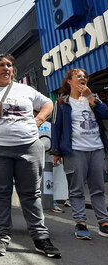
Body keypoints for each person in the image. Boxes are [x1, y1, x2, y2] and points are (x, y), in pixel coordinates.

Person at [0, 54, 60, 258]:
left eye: (9, 65)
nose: (6, 68)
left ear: (13, 70)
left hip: (29, 147)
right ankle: (1, 238)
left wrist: (38, 119)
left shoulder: (26, 90)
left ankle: (40, 238)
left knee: (31, 194)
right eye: (1, 65)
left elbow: (48, 103)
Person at [50, 68, 108, 239]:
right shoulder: (61, 102)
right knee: (76, 190)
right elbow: (56, 127)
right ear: (69, 81)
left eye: (84, 76)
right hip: (74, 151)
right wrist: (56, 151)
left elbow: (105, 114)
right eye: (78, 76)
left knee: (98, 188)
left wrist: (91, 97)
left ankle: (104, 222)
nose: (83, 78)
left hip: (96, 148)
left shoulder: (94, 98)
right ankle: (80, 223)